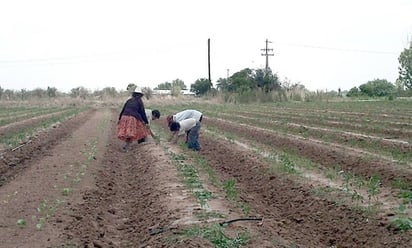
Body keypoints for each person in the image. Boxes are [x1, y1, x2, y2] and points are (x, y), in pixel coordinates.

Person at [117, 87, 149, 151]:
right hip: (131, 118)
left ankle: (127, 145)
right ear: (140, 95)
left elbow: (123, 110)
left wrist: (120, 119)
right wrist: (146, 121)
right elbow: (142, 112)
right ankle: (128, 147)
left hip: (124, 117)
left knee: (127, 132)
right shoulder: (139, 101)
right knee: (132, 132)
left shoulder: (129, 100)